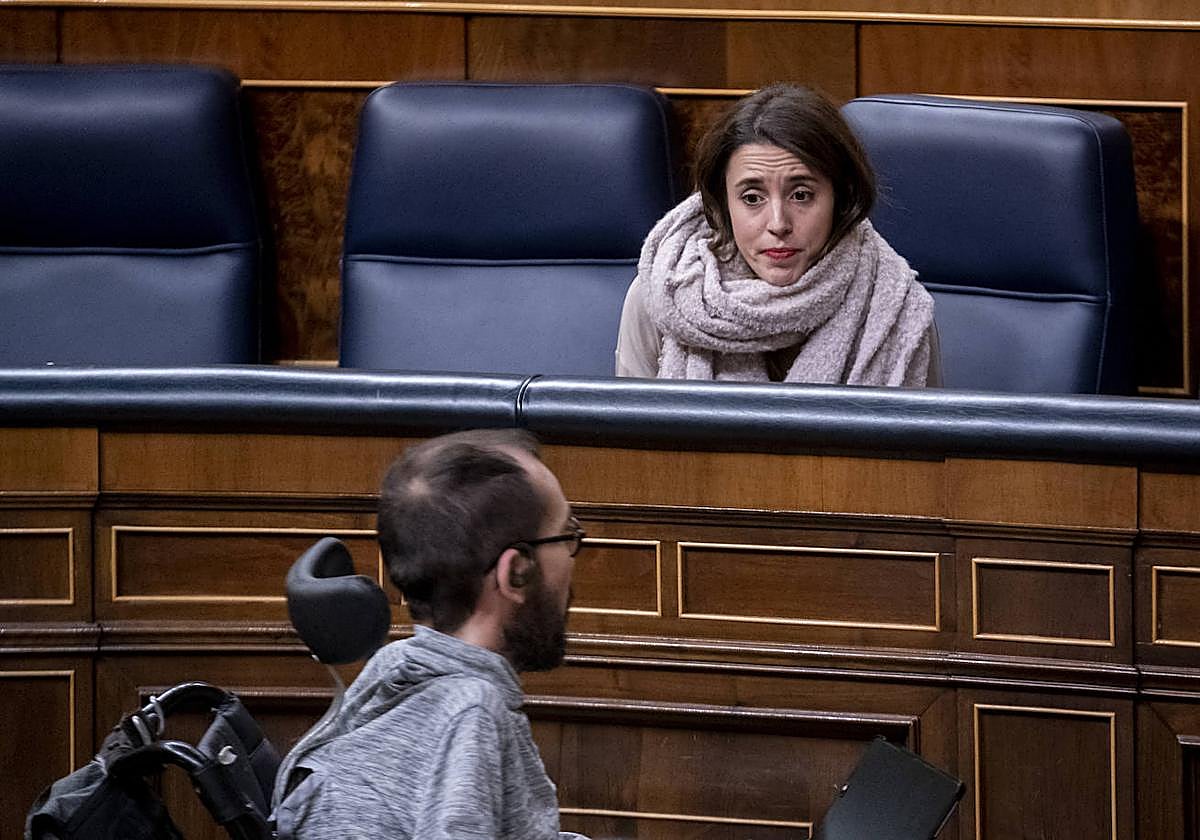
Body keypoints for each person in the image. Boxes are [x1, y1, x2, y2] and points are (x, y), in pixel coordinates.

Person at [273, 429, 588, 840]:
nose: (572, 555)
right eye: (567, 536)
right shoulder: (471, 712)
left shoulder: (394, 665)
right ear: (516, 571)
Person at [615, 83, 940, 386]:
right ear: (722, 205)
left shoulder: (896, 307)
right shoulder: (660, 296)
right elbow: (631, 443)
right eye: (752, 198)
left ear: (841, 199)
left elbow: (927, 443)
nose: (778, 223)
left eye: (801, 195)